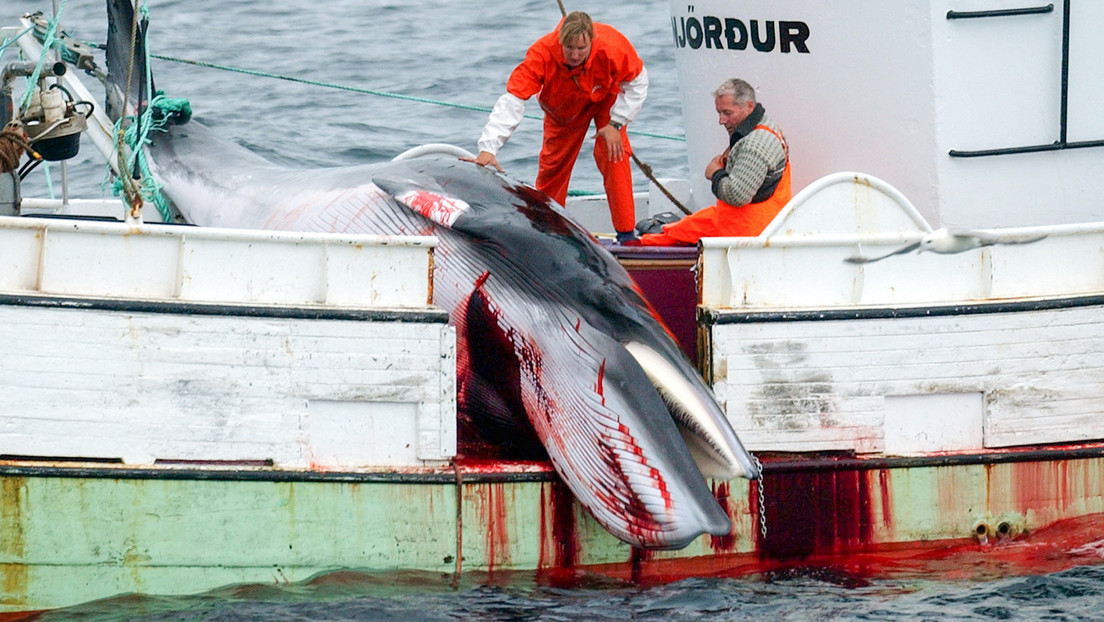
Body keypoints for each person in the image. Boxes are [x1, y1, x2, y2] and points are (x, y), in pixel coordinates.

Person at [469, 11, 648, 243]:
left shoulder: (613, 46)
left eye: (581, 49)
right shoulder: (541, 53)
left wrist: (617, 122)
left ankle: (626, 235)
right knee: (552, 168)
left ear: (592, 41)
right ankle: (549, 232)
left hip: (606, 98)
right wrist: (488, 148)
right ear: (560, 41)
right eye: (569, 48)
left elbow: (638, 81)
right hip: (563, 108)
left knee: (613, 153)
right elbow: (513, 99)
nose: (574, 54)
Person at [637, 78, 790, 246]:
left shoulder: (755, 144)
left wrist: (715, 173)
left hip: (746, 234)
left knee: (663, 237)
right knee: (682, 227)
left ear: (749, 106)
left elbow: (737, 196)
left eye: (727, 113)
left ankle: (640, 246)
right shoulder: (766, 127)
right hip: (762, 225)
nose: (721, 120)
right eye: (719, 113)